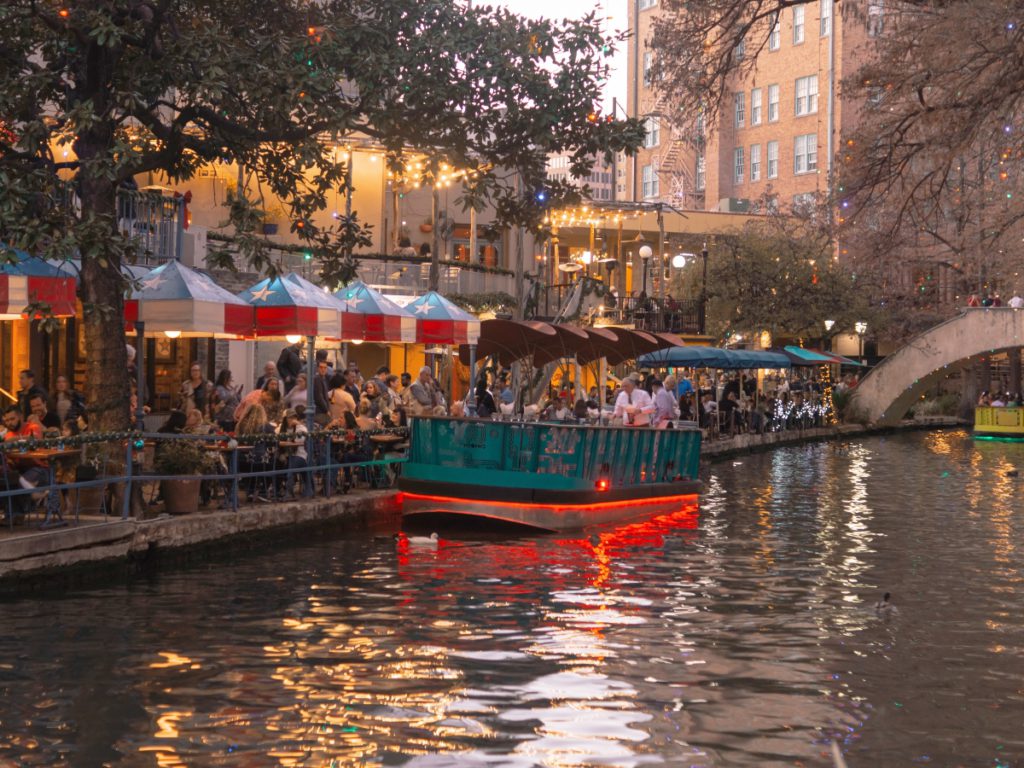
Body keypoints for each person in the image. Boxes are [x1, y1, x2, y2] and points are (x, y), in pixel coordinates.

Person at [279, 408, 310, 499]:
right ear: (285, 419)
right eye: (290, 418)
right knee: (276, 463)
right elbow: (277, 439)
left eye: (294, 417)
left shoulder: (301, 428)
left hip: (300, 455)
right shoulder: (281, 428)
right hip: (286, 455)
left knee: (292, 463)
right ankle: (278, 490)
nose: (292, 419)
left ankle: (289, 492)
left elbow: (299, 440)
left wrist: (298, 425)